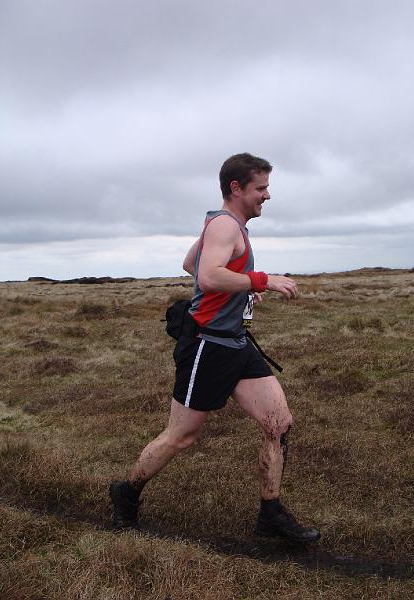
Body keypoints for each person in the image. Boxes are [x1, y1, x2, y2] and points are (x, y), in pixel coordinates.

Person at [110, 153, 320, 543]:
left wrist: (238, 293)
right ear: (236, 188)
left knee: (278, 423)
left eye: (267, 187)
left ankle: (270, 515)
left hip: (237, 345)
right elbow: (206, 275)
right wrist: (261, 280)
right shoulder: (225, 225)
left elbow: (191, 262)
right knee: (182, 435)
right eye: (261, 188)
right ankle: (127, 492)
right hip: (207, 346)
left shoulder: (225, 225)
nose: (268, 196)